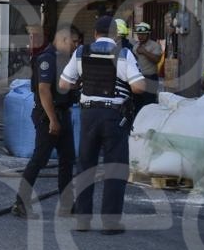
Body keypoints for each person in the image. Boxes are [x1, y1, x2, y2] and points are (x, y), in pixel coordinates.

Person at [59, 16, 146, 235]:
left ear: (95, 34)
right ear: (115, 34)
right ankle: (110, 223)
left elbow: (63, 84)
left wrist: (83, 83)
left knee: (86, 166)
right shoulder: (123, 54)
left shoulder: (81, 52)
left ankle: (82, 220)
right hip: (113, 117)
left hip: (88, 115)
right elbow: (138, 88)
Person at [11, 26, 78, 219]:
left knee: (67, 160)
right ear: (64, 40)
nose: (76, 45)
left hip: (62, 113)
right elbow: (43, 90)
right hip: (48, 116)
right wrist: (52, 120)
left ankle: (66, 204)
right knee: (39, 160)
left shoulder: (65, 60)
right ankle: (20, 203)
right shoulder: (47, 59)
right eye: (73, 41)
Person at [131, 22, 162, 115]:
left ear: (148, 34)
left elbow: (157, 59)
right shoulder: (135, 46)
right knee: (137, 104)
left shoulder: (154, 45)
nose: (140, 36)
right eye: (139, 34)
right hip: (138, 79)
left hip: (150, 78)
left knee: (149, 105)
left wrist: (144, 52)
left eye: (143, 34)